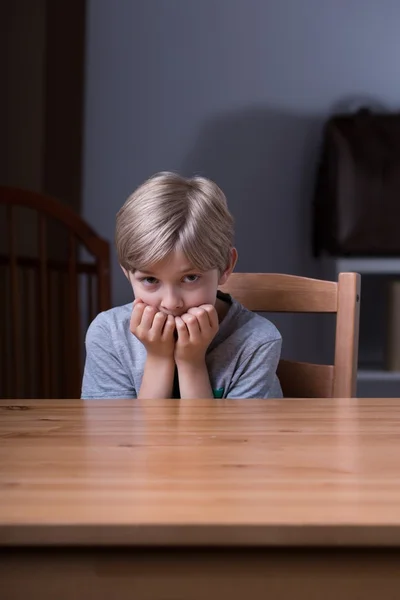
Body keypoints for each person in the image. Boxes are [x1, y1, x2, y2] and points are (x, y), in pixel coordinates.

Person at [81, 171, 282, 399]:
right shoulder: (109, 334)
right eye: (150, 280)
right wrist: (158, 358)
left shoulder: (257, 341)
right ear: (127, 273)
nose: (171, 303)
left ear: (226, 266)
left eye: (190, 278)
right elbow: (119, 434)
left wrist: (191, 362)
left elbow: (219, 436)